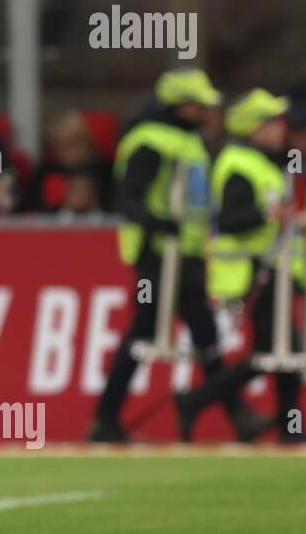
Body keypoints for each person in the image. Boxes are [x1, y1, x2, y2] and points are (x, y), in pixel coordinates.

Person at [90, 69, 263, 443]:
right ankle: (105, 419)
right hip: (157, 255)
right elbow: (128, 197)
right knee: (146, 329)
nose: (205, 111)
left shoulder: (187, 142)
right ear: (179, 105)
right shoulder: (151, 141)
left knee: (202, 332)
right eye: (198, 104)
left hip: (184, 255)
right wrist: (159, 224)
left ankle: (230, 412)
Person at [175, 90, 306, 443]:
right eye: (272, 122)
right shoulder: (238, 164)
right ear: (254, 128)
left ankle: (287, 429)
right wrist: (270, 214)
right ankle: (197, 402)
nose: (281, 129)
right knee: (275, 354)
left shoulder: (264, 162)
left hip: (271, 272)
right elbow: (231, 220)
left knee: (282, 353)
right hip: (254, 274)